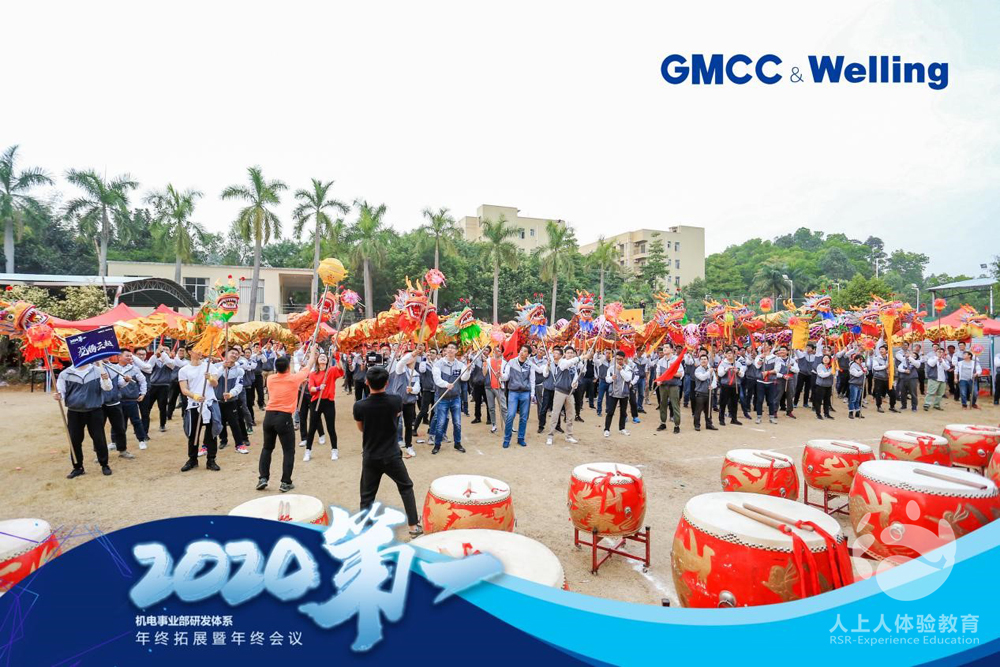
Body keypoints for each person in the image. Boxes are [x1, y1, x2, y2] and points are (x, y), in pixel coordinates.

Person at [354, 366, 423, 537]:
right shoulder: (396, 400)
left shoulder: (360, 406)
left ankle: (366, 530)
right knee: (406, 487)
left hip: (371, 455)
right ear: (387, 382)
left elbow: (361, 428)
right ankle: (413, 526)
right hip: (391, 454)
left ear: (366, 382)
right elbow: (395, 418)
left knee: (367, 495)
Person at [256, 344, 317, 492]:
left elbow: (286, 376)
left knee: (267, 448)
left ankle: (263, 478)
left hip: (269, 416)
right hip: (284, 417)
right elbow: (309, 365)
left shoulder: (271, 378)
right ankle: (285, 482)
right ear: (289, 367)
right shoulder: (294, 379)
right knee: (288, 451)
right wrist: (313, 351)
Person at [56, 360, 114, 478]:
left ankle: (104, 464)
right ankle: (77, 467)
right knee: (75, 440)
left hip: (95, 410)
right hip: (74, 411)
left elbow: (108, 388)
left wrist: (106, 379)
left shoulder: (98, 371)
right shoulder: (65, 374)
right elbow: (62, 392)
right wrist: (58, 395)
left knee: (99, 438)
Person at [178, 348, 221, 472]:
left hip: (209, 404)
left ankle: (211, 460)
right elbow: (184, 389)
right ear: (189, 352)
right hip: (194, 405)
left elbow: (215, 384)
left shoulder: (209, 366)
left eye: (201, 349)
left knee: (211, 433)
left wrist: (210, 378)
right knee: (193, 433)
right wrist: (195, 396)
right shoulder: (184, 370)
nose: (200, 352)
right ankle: (192, 459)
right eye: (197, 349)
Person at [432, 342, 472, 454]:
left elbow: (464, 378)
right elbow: (437, 379)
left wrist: (468, 370)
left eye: (453, 348)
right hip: (442, 398)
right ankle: (437, 444)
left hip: (455, 398)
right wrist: (446, 384)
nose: (450, 350)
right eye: (449, 348)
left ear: (456, 351)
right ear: (445, 350)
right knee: (440, 423)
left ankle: (457, 443)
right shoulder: (438, 364)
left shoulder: (460, 365)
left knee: (457, 422)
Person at [305, 351, 344, 461]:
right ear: (317, 360)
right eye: (320, 357)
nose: (322, 358)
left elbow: (340, 369)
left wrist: (337, 357)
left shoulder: (331, 371)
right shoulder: (313, 374)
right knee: (312, 428)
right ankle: (308, 451)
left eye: (324, 357)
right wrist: (318, 388)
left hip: (328, 402)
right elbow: (311, 388)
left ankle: (334, 450)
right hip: (316, 402)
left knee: (331, 428)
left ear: (327, 361)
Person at [545, 346, 586, 445]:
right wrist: (580, 357)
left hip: (569, 393)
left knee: (570, 415)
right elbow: (568, 364)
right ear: (564, 354)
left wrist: (575, 384)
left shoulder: (574, 366)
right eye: (568, 353)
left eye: (572, 353)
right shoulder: (562, 362)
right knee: (555, 414)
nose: (570, 354)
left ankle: (569, 436)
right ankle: (550, 436)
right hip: (560, 391)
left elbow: (575, 377)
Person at [215, 348, 251, 455]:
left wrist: (231, 394)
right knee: (220, 422)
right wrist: (223, 367)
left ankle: (239, 444)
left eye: (236, 354)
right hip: (218, 400)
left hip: (232, 400)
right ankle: (223, 440)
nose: (234, 355)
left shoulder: (239, 370)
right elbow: (214, 378)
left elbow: (239, 386)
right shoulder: (217, 367)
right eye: (232, 353)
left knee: (234, 423)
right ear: (226, 354)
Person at [501, 344, 538, 448]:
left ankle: (521, 438)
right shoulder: (511, 362)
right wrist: (501, 376)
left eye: (525, 351)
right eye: (521, 350)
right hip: (513, 392)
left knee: (524, 417)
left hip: (525, 393)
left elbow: (532, 380)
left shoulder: (530, 364)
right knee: (510, 415)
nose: (522, 352)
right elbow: (506, 376)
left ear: (528, 354)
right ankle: (507, 439)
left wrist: (532, 394)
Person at [390, 348, 421, 458]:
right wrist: (412, 354)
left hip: (409, 402)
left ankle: (409, 445)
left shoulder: (416, 374)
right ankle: (392, 446)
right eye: (408, 357)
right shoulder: (401, 369)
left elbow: (418, 388)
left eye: (413, 357)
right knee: (394, 424)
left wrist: (412, 390)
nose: (410, 358)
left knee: (408, 425)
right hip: (397, 402)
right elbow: (401, 362)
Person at [100, 356, 133, 459]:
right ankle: (99, 453)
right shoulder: (92, 369)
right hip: (98, 404)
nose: (105, 356)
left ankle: (122, 450)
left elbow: (120, 384)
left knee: (119, 428)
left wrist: (126, 380)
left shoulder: (115, 368)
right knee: (98, 430)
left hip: (114, 402)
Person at [116, 350, 149, 450]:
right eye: (127, 356)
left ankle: (141, 440)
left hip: (131, 400)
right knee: (118, 423)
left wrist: (143, 393)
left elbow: (143, 381)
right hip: (117, 400)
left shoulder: (134, 369)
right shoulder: (114, 369)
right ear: (119, 357)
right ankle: (115, 442)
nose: (130, 358)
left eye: (131, 356)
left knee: (136, 421)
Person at [654, 343, 684, 434]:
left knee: (675, 405)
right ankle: (663, 423)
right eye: (664, 347)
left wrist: (671, 372)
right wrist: (658, 380)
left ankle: (676, 425)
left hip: (673, 385)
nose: (664, 349)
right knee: (662, 404)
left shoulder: (676, 360)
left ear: (671, 350)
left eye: (667, 347)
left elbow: (681, 374)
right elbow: (658, 372)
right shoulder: (660, 361)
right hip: (663, 386)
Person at [603, 350, 634, 437]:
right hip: (613, 393)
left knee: (623, 412)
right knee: (610, 412)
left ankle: (622, 428)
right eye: (617, 359)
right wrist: (611, 378)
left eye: (620, 359)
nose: (619, 361)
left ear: (624, 359)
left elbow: (628, 378)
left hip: (624, 393)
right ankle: (606, 429)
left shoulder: (627, 368)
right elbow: (607, 379)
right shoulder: (611, 368)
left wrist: (621, 370)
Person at [147, 346, 176, 433]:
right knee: (147, 406)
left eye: (167, 350)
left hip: (164, 386)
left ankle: (162, 424)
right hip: (153, 385)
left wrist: (162, 353)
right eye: (163, 350)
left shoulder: (171, 362)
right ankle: (144, 425)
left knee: (162, 407)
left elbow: (168, 362)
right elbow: (148, 366)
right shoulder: (154, 360)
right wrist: (155, 355)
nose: (164, 351)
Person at [414, 346, 438, 442]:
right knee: (423, 411)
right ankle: (415, 429)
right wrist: (424, 358)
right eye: (430, 352)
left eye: (433, 353)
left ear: (436, 355)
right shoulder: (424, 363)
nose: (431, 354)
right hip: (427, 390)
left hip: (436, 390)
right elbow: (422, 370)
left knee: (434, 411)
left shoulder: (437, 364)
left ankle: (431, 429)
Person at [483, 345, 507, 434]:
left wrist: (501, 376)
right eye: (495, 350)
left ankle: (508, 425)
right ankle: (494, 425)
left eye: (499, 351)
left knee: (503, 407)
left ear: (501, 353)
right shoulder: (488, 361)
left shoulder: (504, 362)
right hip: (489, 387)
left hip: (499, 387)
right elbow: (484, 373)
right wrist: (485, 364)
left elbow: (506, 376)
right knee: (491, 407)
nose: (497, 352)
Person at [753, 343, 780, 424]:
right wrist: (761, 358)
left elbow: (777, 369)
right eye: (762, 345)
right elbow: (757, 366)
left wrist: (768, 372)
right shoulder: (759, 356)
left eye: (765, 345)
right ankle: (759, 417)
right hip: (760, 381)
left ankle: (772, 417)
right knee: (759, 400)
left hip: (771, 381)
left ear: (770, 346)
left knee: (771, 400)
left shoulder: (775, 358)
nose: (763, 346)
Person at [716, 348, 743, 426]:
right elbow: (720, 374)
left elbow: (742, 374)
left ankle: (734, 419)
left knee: (734, 403)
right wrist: (726, 369)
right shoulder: (722, 363)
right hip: (725, 385)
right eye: (728, 353)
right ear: (725, 354)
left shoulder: (738, 363)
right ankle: (721, 419)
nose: (729, 355)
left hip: (735, 385)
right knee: (723, 403)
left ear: (734, 355)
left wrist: (738, 371)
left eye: (731, 353)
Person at [691, 353, 718, 431]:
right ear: (699, 361)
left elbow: (714, 379)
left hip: (709, 392)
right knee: (698, 410)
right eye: (702, 359)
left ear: (707, 360)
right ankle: (697, 425)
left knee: (708, 410)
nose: (703, 361)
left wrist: (712, 386)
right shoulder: (698, 370)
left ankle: (709, 424)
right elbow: (702, 377)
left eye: (705, 359)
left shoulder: (710, 369)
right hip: (700, 393)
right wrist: (709, 372)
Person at [871, 344, 898, 413]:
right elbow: (875, 367)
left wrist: (892, 373)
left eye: (882, 349)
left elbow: (894, 368)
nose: (881, 350)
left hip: (888, 379)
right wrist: (885, 367)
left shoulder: (891, 358)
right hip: (879, 378)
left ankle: (892, 406)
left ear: (886, 351)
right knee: (878, 393)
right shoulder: (876, 358)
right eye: (880, 349)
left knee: (893, 393)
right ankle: (879, 406)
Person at [895, 344, 920, 412]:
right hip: (903, 378)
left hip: (912, 378)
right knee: (903, 392)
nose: (912, 356)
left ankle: (914, 406)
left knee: (913, 393)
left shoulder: (916, 362)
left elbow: (917, 365)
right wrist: (904, 371)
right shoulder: (904, 361)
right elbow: (899, 368)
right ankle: (903, 405)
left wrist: (910, 358)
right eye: (912, 355)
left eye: (914, 356)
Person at [812, 353, 835, 420]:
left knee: (827, 400)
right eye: (824, 358)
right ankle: (818, 414)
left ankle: (826, 413)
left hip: (828, 386)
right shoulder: (820, 366)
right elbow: (822, 375)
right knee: (819, 401)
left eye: (827, 358)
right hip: (820, 386)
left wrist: (834, 369)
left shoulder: (831, 367)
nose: (825, 359)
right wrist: (830, 372)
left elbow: (835, 374)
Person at [794, 343, 817, 409]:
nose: (808, 348)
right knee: (798, 388)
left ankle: (805, 403)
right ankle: (795, 402)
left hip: (810, 374)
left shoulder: (814, 357)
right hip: (802, 373)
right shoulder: (802, 354)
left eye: (809, 347)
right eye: (807, 347)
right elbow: (796, 350)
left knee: (807, 389)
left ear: (813, 349)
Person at [848, 350, 867, 419]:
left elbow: (866, 374)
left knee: (858, 399)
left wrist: (865, 370)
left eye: (862, 359)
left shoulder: (862, 366)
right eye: (859, 359)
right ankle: (851, 412)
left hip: (860, 384)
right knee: (853, 399)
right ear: (855, 360)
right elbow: (856, 374)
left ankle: (857, 412)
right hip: (854, 384)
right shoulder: (853, 366)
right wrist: (863, 370)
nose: (861, 361)